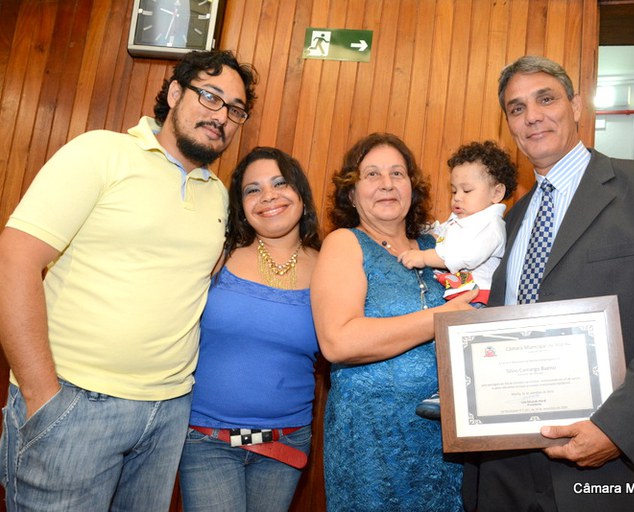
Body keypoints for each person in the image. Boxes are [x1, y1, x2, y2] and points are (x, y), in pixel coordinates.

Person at [0, 50, 257, 511]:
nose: (221, 116)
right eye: (210, 96)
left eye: (235, 110)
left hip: (168, 412)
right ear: (174, 93)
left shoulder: (218, 195)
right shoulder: (102, 152)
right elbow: (14, 259)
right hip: (74, 402)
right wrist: (41, 393)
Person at [462, 56, 634, 512]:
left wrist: (617, 428)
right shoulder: (510, 221)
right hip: (510, 471)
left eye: (546, 99)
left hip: (616, 468)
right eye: (517, 108)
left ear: (576, 106)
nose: (532, 116)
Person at [311, 132, 476, 512]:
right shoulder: (345, 243)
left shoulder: (440, 248)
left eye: (397, 173)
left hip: (447, 444)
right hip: (373, 443)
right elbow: (338, 342)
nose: (386, 184)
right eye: (372, 174)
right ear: (352, 193)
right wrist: (440, 318)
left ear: (412, 188)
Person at [179, 147, 321, 511]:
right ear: (240, 206)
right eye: (252, 189)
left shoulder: (330, 266)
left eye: (280, 183)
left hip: (286, 442)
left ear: (302, 195)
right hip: (207, 439)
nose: (268, 196)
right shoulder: (219, 252)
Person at [398, 140, 517, 420]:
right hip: (460, 297)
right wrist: (426, 231)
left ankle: (454, 394)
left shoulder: (491, 225)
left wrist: (424, 257)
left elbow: (465, 256)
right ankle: (448, 390)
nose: (457, 198)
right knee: (449, 348)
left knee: (461, 351)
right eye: (454, 190)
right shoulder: (463, 220)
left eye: (467, 190)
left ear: (496, 192)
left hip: (478, 300)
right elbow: (441, 232)